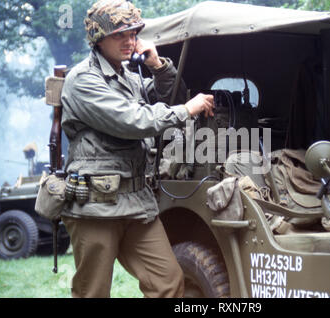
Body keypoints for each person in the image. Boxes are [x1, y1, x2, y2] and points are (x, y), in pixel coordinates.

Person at [60, 0, 214, 298]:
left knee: (168, 282)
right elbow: (133, 121)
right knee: (93, 292)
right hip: (96, 205)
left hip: (136, 203)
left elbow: (169, 99)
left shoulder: (130, 78)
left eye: (133, 33)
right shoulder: (83, 80)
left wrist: (158, 66)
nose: (130, 41)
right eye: (120, 34)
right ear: (98, 37)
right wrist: (186, 109)